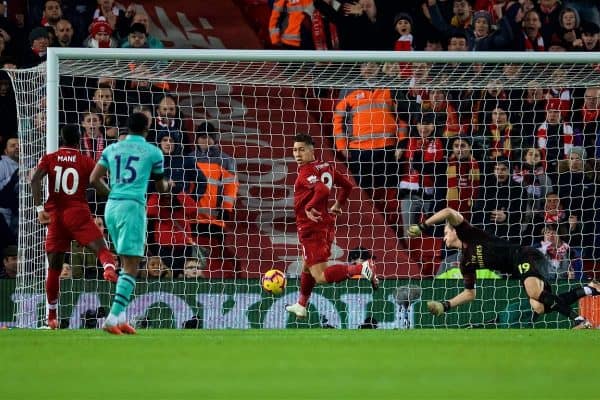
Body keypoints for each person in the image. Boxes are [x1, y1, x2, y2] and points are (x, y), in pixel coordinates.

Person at [407, 207, 600, 328]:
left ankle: (579, 320)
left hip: (522, 254)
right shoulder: (466, 261)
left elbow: (448, 212)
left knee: (534, 292)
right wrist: (445, 305)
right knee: (539, 306)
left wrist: (424, 225)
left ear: (455, 231)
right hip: (517, 270)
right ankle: (589, 289)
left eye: (445, 232)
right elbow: (469, 293)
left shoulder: (469, 233)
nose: (444, 237)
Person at [29, 124, 118, 330]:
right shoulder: (86, 161)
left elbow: (34, 180)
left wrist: (39, 208)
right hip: (77, 213)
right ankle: (109, 268)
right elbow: (97, 184)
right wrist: (113, 194)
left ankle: (51, 317)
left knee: (54, 268)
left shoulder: (49, 158)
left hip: (55, 217)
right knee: (102, 248)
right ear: (79, 140)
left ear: (61, 138)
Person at [90, 112, 170, 335]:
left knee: (124, 263)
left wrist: (113, 194)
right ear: (147, 128)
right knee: (132, 266)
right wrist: (168, 188)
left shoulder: (112, 148)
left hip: (111, 208)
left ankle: (122, 318)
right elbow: (160, 186)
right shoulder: (153, 152)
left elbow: (94, 179)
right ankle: (112, 318)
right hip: (132, 207)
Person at [285, 134, 378, 318]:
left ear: (312, 150)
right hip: (324, 224)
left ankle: (361, 268)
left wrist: (309, 207)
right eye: (295, 150)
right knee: (307, 266)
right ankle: (301, 304)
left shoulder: (306, 171)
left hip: (311, 228)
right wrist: (337, 205)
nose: (297, 154)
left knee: (319, 276)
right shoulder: (325, 166)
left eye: (302, 149)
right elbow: (348, 186)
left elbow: (321, 189)